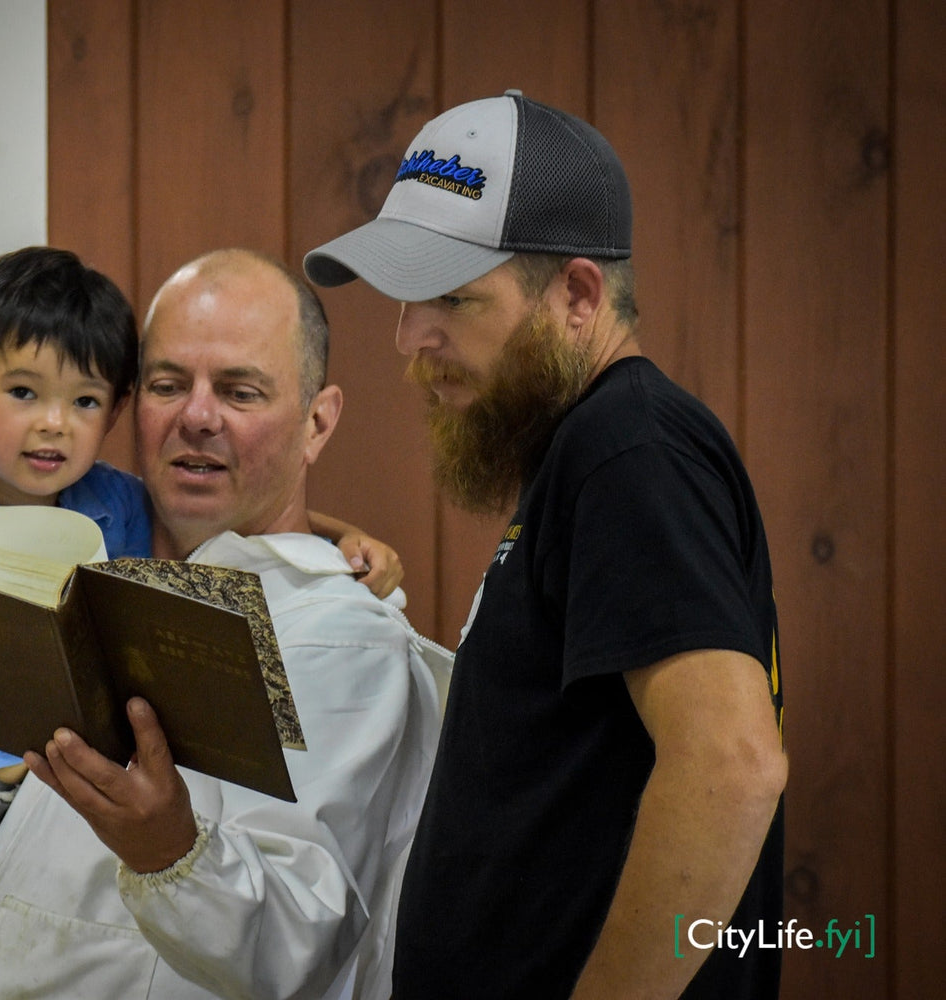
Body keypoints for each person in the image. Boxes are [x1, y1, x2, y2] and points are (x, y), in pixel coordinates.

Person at [0, 248, 450, 999]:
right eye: (167, 385)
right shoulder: (80, 554)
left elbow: (306, 947)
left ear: (316, 424)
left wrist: (171, 852)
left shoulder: (343, 639)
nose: (196, 415)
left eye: (240, 390)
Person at [302, 91, 788, 999]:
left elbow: (731, 762)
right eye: (406, 301)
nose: (412, 340)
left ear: (576, 294)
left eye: (452, 298)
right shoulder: (591, 454)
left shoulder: (629, 447)